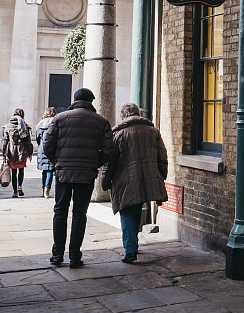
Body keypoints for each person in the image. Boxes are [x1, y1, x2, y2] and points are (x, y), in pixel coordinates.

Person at [44, 88, 112, 268]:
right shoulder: (102, 122)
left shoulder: (59, 118)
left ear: (74, 99)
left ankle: (57, 254)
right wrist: (93, 164)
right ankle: (74, 256)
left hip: (63, 172)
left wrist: (58, 162)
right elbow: (107, 151)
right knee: (80, 214)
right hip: (86, 174)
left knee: (60, 211)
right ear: (91, 102)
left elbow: (47, 146)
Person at [102, 102, 168, 263]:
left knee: (126, 211)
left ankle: (130, 249)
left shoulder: (117, 134)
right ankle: (133, 244)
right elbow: (162, 156)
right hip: (147, 177)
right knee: (137, 208)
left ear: (123, 116)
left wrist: (105, 181)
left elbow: (110, 162)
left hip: (124, 180)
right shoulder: (153, 131)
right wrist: (161, 175)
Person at [2, 108, 33, 198]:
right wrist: (30, 154)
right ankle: (20, 186)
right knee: (21, 170)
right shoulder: (25, 126)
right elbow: (28, 141)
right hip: (23, 152)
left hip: (11, 152)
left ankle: (15, 192)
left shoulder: (7, 126)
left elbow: (5, 141)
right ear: (22, 115)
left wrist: (4, 154)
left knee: (14, 172)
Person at [35, 107, 56, 198]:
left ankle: (43, 189)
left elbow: (37, 138)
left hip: (42, 150)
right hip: (52, 150)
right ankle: (47, 191)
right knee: (50, 171)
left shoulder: (40, 124)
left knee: (44, 171)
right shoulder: (55, 123)